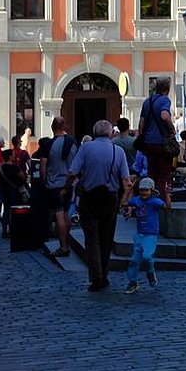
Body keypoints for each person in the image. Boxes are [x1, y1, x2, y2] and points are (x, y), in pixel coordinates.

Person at [69, 119, 131, 292]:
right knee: (107, 236)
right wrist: (125, 201)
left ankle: (96, 276)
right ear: (111, 133)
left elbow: (72, 172)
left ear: (95, 132)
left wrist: (68, 188)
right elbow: (126, 180)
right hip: (110, 196)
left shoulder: (86, 148)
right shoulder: (118, 151)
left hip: (89, 196)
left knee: (91, 237)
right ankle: (104, 274)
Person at [136, 76, 176, 206]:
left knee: (152, 172)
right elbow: (164, 115)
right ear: (167, 88)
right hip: (162, 142)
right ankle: (161, 201)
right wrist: (172, 128)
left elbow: (141, 123)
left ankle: (149, 201)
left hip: (148, 142)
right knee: (164, 173)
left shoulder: (147, 101)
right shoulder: (165, 100)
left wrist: (143, 137)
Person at [125, 177, 166, 294]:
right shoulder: (137, 200)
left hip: (150, 235)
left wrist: (167, 195)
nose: (143, 192)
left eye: (146, 190)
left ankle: (150, 271)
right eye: (141, 190)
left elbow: (167, 207)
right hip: (139, 234)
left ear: (151, 191)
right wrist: (128, 190)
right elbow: (124, 203)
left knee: (147, 256)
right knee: (134, 260)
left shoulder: (154, 201)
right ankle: (133, 282)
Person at [43, 120, 77, 257]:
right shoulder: (72, 143)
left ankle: (63, 246)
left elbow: (43, 165)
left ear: (52, 127)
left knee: (59, 215)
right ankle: (66, 242)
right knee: (66, 214)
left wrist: (44, 180)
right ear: (64, 127)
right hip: (69, 183)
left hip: (54, 184)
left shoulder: (49, 144)